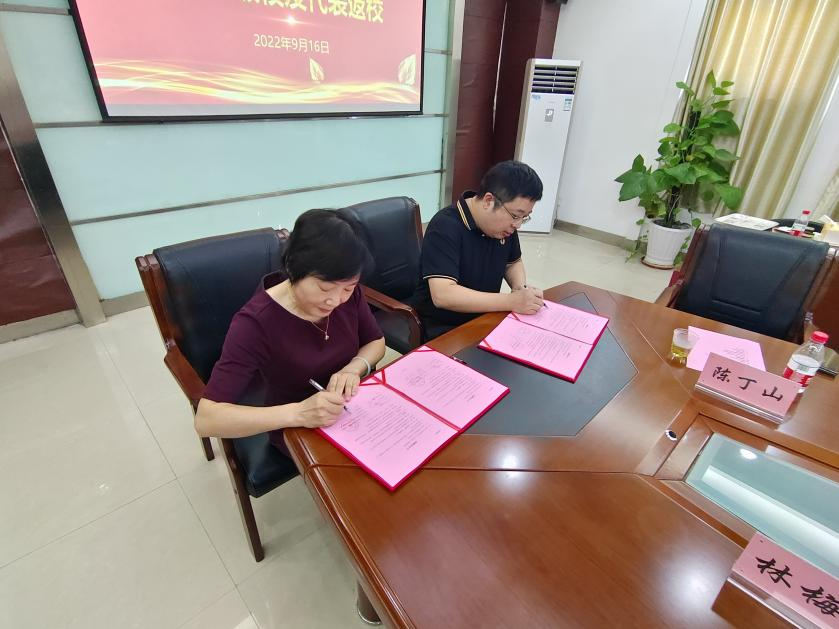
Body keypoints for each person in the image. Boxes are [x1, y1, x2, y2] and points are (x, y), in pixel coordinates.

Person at [195, 209, 386, 455]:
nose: (335, 301)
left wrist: (353, 368)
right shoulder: (255, 323)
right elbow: (207, 420)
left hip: (352, 409)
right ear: (293, 268)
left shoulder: (346, 293)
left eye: (348, 288)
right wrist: (299, 413)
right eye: (324, 288)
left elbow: (376, 342)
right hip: (297, 427)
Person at [413, 160, 545, 339]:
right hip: (445, 327)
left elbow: (513, 262)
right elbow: (443, 295)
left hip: (485, 317)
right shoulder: (445, 226)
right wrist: (510, 301)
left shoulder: (505, 227)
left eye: (525, 217)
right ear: (489, 201)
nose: (518, 224)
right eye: (516, 215)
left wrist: (519, 288)